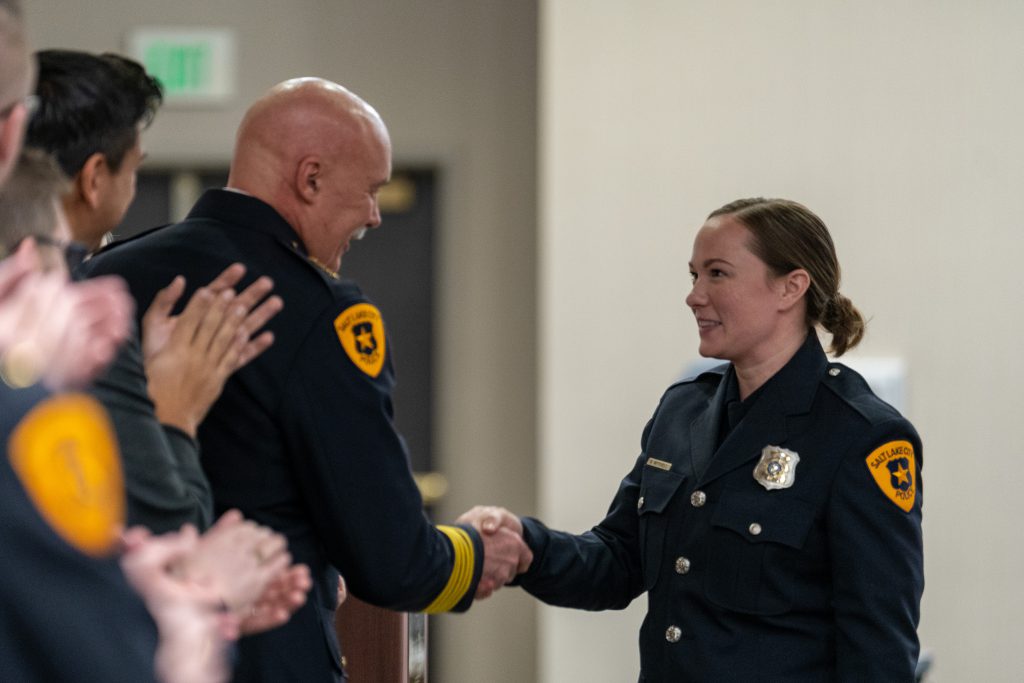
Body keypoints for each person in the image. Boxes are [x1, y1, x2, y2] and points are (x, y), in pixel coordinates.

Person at [84, 77, 531, 682]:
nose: (375, 214)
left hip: (111, 646)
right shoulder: (319, 315)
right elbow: (394, 563)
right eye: (370, 191)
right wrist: (478, 551)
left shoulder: (101, 280)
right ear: (311, 177)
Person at [461, 197, 925, 681]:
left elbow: (878, 651)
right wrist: (526, 548)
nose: (694, 295)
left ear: (791, 287)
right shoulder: (684, 410)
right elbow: (619, 560)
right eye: (694, 276)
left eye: (717, 274)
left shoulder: (861, 436)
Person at [27, 49, 285, 532]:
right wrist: (173, 409)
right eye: (135, 169)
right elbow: (171, 525)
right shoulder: (80, 316)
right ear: (95, 179)